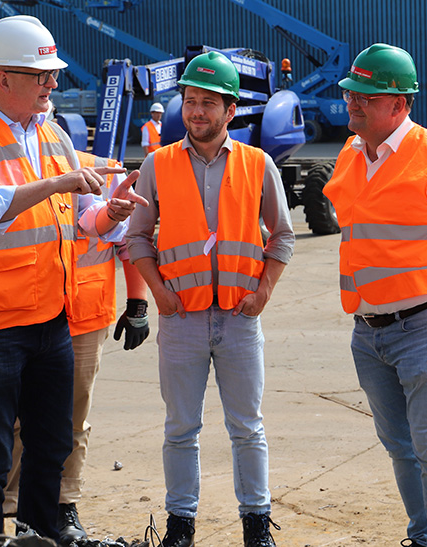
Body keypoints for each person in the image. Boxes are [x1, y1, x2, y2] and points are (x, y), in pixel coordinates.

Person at [0, 15, 146, 540]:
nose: (53, 84)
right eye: (42, 75)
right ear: (3, 78)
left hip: (51, 319)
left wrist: (110, 213)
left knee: (51, 442)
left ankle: (40, 533)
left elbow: (81, 218)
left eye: (51, 75)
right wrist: (56, 183)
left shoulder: (53, 133)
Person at [125, 51, 295, 547]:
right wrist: (159, 294)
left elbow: (281, 236)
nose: (196, 111)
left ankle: (256, 525)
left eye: (208, 103)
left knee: (248, 429)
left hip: (240, 319)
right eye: (190, 100)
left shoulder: (257, 164)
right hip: (181, 320)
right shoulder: (158, 164)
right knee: (180, 429)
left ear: (230, 109)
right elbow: (138, 238)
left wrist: (264, 291)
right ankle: (181, 525)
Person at [323, 44, 427, 547]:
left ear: (399, 104)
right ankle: (422, 535)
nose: (353, 103)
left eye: (366, 96)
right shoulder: (350, 155)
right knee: (398, 445)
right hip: (368, 332)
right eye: (351, 93)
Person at [2, 150, 151, 545]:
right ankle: (14, 503)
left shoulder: (98, 168)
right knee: (18, 415)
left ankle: (64, 502)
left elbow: (128, 241)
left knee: (73, 415)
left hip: (84, 314)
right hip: (26, 310)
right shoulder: (14, 169)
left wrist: (137, 302)